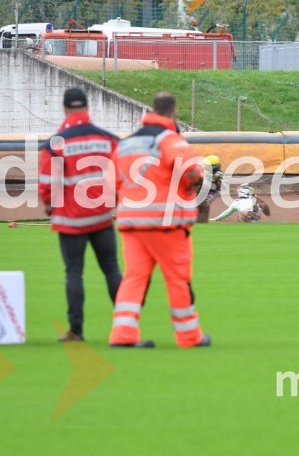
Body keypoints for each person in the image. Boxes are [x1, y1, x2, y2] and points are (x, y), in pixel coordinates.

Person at [109, 92, 210, 349]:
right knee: (177, 278)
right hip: (165, 223)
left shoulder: (125, 144)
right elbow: (194, 172)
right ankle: (189, 336)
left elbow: (112, 183)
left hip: (131, 222)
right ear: (174, 112)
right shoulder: (171, 140)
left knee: (134, 277)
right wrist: (189, 189)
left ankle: (123, 334)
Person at [39, 88, 121, 342]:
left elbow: (47, 183)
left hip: (70, 218)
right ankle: (126, 326)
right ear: (87, 108)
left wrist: (50, 207)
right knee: (111, 269)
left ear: (65, 109)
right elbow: (121, 176)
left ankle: (76, 330)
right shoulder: (109, 139)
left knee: (73, 272)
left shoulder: (56, 143)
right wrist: (112, 203)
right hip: (102, 217)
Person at [196, 154, 223, 223]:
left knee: (204, 204)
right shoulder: (202, 171)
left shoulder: (218, 174)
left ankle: (203, 221)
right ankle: (198, 220)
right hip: (200, 190)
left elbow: (220, 186)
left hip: (211, 192)